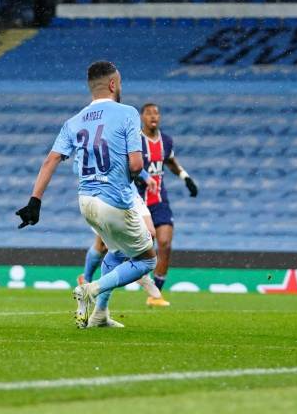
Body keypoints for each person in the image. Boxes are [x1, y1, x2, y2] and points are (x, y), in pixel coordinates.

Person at [16, 61, 157, 328]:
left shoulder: (74, 121)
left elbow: (51, 160)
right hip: (113, 200)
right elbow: (137, 165)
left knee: (115, 252)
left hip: (86, 202)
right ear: (113, 84)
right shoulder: (127, 113)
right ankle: (90, 289)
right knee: (147, 260)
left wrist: (34, 201)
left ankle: (100, 314)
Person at [78, 177, 171, 307]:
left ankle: (138, 271)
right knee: (105, 246)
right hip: (105, 193)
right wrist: (145, 175)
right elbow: (135, 164)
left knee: (149, 233)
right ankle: (87, 283)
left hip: (127, 191)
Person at [137, 102, 198, 292]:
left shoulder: (166, 141)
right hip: (138, 202)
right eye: (149, 113)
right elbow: (129, 166)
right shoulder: (135, 141)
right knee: (144, 247)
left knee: (164, 243)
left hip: (159, 201)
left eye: (156, 113)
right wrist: (142, 177)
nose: (153, 116)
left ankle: (157, 291)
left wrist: (185, 177)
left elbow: (170, 161)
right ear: (142, 117)